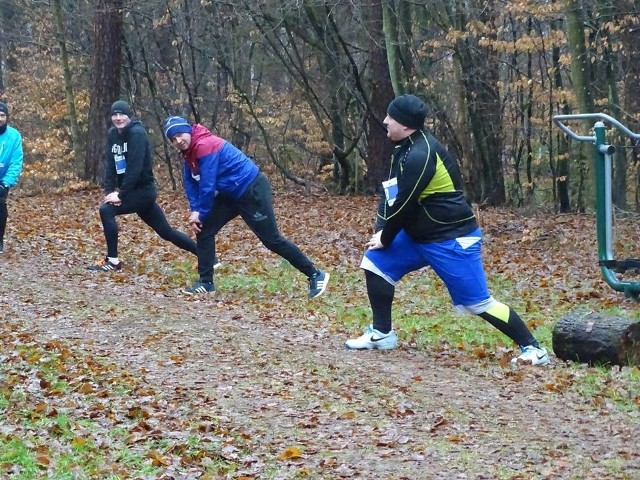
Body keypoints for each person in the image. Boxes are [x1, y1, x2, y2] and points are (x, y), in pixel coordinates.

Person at [344, 94, 549, 366]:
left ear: (405, 125)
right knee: (376, 263)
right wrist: (380, 231)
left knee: (478, 303)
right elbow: (390, 193)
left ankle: (534, 349)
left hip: (451, 239)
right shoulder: (403, 148)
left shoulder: (421, 154)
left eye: (390, 118)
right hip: (420, 235)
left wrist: (387, 235)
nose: (385, 122)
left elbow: (404, 204)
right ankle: (382, 334)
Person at [162, 115, 329, 298]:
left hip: (251, 190)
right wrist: (195, 210)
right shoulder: (189, 152)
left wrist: (201, 212)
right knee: (204, 230)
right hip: (231, 193)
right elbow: (190, 182)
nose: (178, 141)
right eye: (173, 139)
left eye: (180, 135)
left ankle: (315, 274)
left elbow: (207, 185)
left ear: (188, 130)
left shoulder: (205, 145)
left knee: (271, 240)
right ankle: (206, 283)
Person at [88, 101, 199, 272]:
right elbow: (110, 164)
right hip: (132, 192)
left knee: (106, 210)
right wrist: (109, 191)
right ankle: (206, 256)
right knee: (166, 232)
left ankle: (113, 260)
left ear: (129, 116)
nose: (118, 118)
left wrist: (121, 195)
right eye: (115, 115)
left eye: (122, 114)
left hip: (143, 192)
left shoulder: (137, 134)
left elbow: (135, 168)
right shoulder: (112, 134)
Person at [0, 101, 24, 254]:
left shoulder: (14, 136)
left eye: (2, 115)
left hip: (2, 179)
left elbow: (16, 161)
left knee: (0, 205)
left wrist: (6, 183)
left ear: (7, 117)